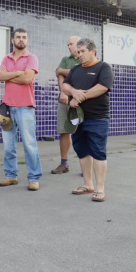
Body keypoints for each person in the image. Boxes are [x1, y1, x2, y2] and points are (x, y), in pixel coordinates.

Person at [61, 38, 113, 202]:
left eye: (82, 51)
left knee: (98, 151)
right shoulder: (76, 69)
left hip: (97, 117)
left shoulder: (103, 67)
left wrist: (79, 97)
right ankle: (88, 184)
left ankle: (100, 188)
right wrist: (73, 92)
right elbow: (65, 86)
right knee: (81, 149)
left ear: (93, 51)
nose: (79, 54)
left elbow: (103, 87)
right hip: (78, 118)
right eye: (78, 51)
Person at [0, 28, 42, 191]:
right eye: (18, 37)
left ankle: (34, 177)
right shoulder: (6, 58)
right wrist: (18, 73)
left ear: (27, 41)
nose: (21, 39)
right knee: (9, 145)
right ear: (12, 40)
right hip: (7, 107)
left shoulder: (32, 58)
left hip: (25, 107)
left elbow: (27, 78)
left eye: (24, 37)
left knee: (29, 144)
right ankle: (11, 176)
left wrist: (10, 75)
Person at [52, 35, 81, 174]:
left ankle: (86, 165)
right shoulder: (65, 59)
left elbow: (81, 73)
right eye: (68, 44)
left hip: (81, 102)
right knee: (64, 131)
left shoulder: (84, 57)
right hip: (64, 101)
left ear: (79, 44)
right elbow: (59, 75)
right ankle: (64, 164)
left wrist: (63, 71)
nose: (69, 46)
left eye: (71, 44)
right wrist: (63, 92)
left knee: (83, 132)